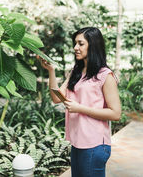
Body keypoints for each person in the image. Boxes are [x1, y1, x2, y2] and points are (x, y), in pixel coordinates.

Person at [38, 27, 121, 177]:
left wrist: (80, 108)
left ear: (93, 45)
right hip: (77, 142)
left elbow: (115, 113)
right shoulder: (76, 71)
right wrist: (51, 71)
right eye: (75, 43)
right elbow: (56, 98)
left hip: (95, 144)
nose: (75, 48)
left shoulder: (105, 75)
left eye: (80, 44)